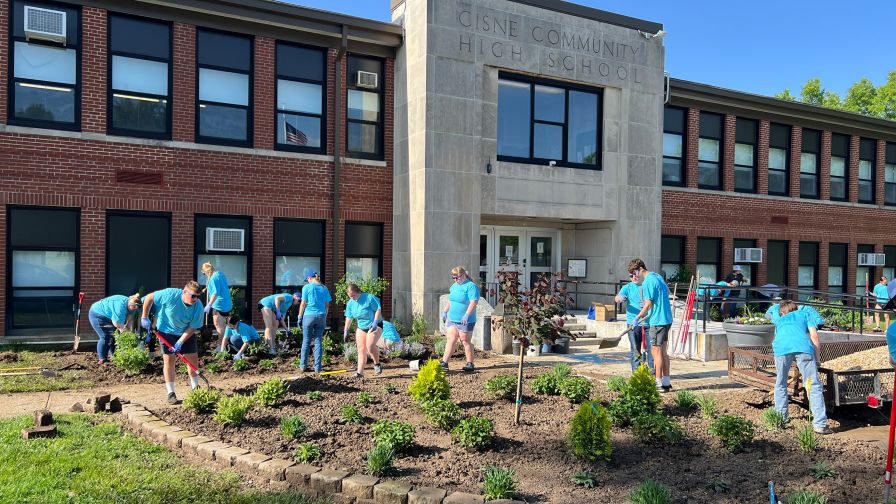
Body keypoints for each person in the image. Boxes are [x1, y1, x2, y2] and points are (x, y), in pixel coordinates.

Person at [771, 300, 831, 435]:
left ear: (782, 312)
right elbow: (814, 336)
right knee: (813, 385)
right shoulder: (805, 313)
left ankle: (781, 419)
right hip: (802, 347)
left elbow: (779, 336)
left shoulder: (779, 320)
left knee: (780, 384)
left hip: (781, 348)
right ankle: (820, 425)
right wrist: (817, 359)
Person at [140, 281, 204, 404]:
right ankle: (171, 393)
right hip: (166, 331)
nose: (195, 299)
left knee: (192, 359)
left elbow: (193, 327)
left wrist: (180, 341)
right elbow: (149, 297)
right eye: (193, 296)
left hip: (185, 332)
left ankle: (196, 388)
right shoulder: (170, 294)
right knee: (169, 360)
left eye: (198, 296)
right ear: (185, 291)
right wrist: (144, 316)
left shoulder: (198, 306)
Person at [631, 258, 674, 392]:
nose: (634, 276)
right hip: (667, 319)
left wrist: (637, 317)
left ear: (640, 269)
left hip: (657, 321)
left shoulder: (648, 282)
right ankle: (666, 382)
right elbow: (666, 293)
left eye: (634, 273)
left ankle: (658, 383)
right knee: (664, 352)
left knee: (656, 353)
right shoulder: (658, 277)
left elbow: (648, 304)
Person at [440, 266, 480, 372]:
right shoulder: (454, 286)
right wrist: (445, 311)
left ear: (463, 275)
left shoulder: (471, 286)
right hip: (452, 318)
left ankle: (470, 363)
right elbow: (451, 300)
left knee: (465, 340)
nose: (455, 280)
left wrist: (466, 315)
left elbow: (473, 302)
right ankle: (444, 363)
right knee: (451, 340)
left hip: (466, 319)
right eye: (453, 278)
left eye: (457, 277)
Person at [615, 273, 655, 375]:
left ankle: (652, 374)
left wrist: (647, 304)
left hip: (648, 322)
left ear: (640, 274)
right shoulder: (627, 287)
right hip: (633, 324)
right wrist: (620, 299)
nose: (634, 277)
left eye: (635, 275)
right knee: (635, 350)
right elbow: (617, 298)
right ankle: (637, 374)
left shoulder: (647, 286)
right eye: (631, 276)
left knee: (651, 351)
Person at [343, 283, 383, 378]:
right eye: (350, 297)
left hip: (375, 325)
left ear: (358, 292)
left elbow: (378, 309)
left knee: (370, 346)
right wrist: (346, 330)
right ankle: (359, 373)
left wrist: (375, 322)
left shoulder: (369, 298)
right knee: (361, 349)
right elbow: (349, 317)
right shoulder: (351, 303)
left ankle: (377, 364)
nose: (352, 298)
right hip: (361, 327)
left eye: (354, 296)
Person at [88, 294, 141, 364]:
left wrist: (130, 333)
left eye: (137, 308)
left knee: (114, 336)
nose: (135, 309)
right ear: (130, 304)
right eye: (134, 307)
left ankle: (115, 356)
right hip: (98, 314)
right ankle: (102, 360)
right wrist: (129, 335)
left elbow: (129, 322)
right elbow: (118, 324)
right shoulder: (120, 307)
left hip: (109, 316)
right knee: (106, 336)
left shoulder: (132, 306)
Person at [297, 268, 331, 373]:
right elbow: (327, 305)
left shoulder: (306, 287)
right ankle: (317, 368)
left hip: (308, 316)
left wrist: (299, 317)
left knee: (306, 341)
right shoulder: (324, 288)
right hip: (321, 316)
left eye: (307, 279)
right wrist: (324, 317)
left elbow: (303, 303)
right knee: (318, 341)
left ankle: (303, 366)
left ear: (309, 278)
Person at [201, 263, 232, 342]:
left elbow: (215, 293)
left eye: (204, 273)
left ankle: (220, 346)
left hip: (219, 305)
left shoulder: (213, 278)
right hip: (227, 303)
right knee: (225, 326)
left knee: (219, 326)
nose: (205, 275)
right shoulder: (220, 274)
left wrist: (209, 305)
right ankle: (225, 344)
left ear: (206, 271)